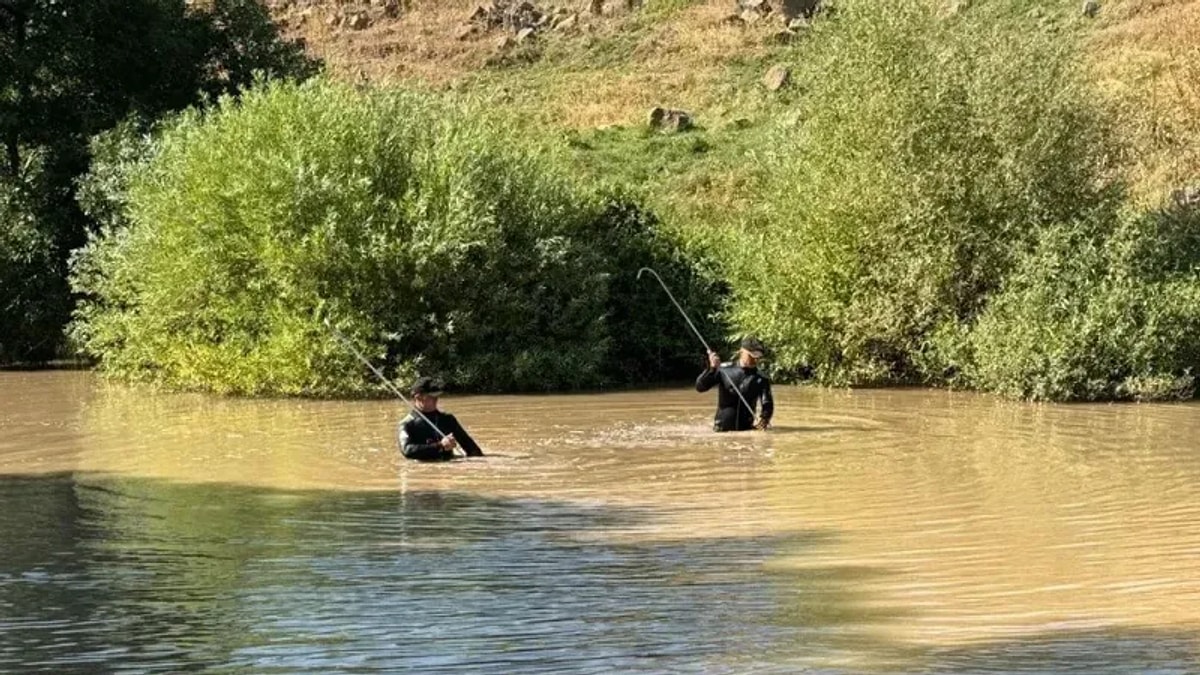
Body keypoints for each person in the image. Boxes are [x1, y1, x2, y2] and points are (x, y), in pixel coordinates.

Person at [696, 336, 774, 432]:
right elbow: (700, 387)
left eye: (758, 357)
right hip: (721, 433)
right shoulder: (724, 370)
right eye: (751, 356)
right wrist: (711, 369)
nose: (755, 360)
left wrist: (765, 419)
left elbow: (767, 404)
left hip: (746, 432)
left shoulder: (761, 379)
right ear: (741, 351)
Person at [397, 376, 484, 461]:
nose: (436, 400)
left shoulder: (448, 419)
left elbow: (472, 449)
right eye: (432, 397)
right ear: (418, 397)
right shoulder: (407, 423)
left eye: (437, 396)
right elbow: (407, 450)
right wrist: (440, 446)